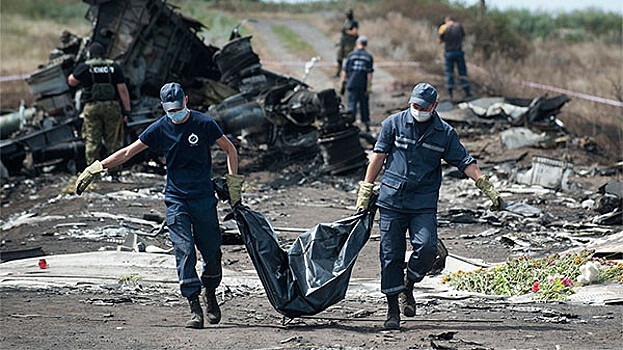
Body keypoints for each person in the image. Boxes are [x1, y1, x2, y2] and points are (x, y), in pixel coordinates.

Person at [75, 82, 244, 329]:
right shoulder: (160, 128)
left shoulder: (203, 123)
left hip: (204, 198)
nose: (174, 113)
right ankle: (194, 306)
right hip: (176, 199)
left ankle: (210, 292)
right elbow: (128, 152)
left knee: (212, 252)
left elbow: (230, 149)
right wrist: (97, 167)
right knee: (184, 250)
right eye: (169, 110)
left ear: (186, 100)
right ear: (163, 107)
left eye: (178, 107)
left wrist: (233, 183)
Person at [355, 83, 503, 330]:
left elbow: (464, 161)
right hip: (392, 201)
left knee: (427, 249)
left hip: (422, 203)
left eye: (423, 107)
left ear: (434, 107)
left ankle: (408, 284)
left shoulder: (444, 133)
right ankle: (392, 310)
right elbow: (379, 156)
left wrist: (486, 186)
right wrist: (366, 189)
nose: (418, 110)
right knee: (390, 255)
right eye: (414, 105)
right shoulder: (393, 124)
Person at [68, 42, 132, 168]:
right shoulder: (114, 66)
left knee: (92, 140)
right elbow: (122, 90)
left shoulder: (84, 67)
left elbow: (72, 81)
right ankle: (115, 172)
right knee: (113, 140)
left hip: (92, 108)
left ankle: (92, 173)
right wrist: (127, 111)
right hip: (112, 107)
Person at [341, 35, 374, 132]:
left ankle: (351, 125)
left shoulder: (351, 55)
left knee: (351, 105)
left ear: (357, 43)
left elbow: (345, 70)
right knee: (364, 105)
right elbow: (369, 73)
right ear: (366, 44)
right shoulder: (368, 57)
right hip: (362, 85)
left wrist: (342, 84)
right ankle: (366, 125)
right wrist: (368, 87)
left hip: (351, 84)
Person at [438, 16, 472, 100]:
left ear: (446, 21)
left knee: (449, 73)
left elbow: (440, 41)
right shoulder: (459, 26)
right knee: (462, 72)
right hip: (458, 52)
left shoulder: (444, 28)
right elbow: (463, 39)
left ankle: (450, 95)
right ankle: (467, 93)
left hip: (448, 53)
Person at [335, 8, 358, 77]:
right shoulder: (346, 21)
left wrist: (346, 32)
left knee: (349, 58)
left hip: (350, 43)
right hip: (343, 42)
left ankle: (349, 73)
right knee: (339, 57)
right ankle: (338, 72)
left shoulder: (354, 22)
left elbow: (354, 32)